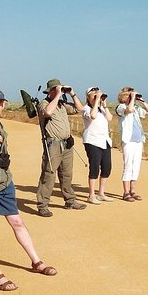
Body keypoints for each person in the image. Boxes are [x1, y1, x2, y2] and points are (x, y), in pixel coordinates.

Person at [0, 87, 57, 291]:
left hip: (4, 181)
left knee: (17, 220)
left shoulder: (0, 125)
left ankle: (36, 261)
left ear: (4, 104)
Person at [35, 78, 87, 217]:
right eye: (57, 89)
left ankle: (70, 200)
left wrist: (72, 94)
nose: (61, 91)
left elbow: (79, 109)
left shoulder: (62, 105)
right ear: (51, 91)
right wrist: (58, 94)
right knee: (49, 174)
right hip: (53, 144)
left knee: (67, 174)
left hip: (67, 143)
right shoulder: (44, 103)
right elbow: (47, 113)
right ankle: (42, 205)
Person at [115, 87, 148, 201]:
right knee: (128, 165)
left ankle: (133, 190)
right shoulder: (120, 107)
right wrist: (132, 99)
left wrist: (142, 101)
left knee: (136, 166)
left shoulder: (136, 107)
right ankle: (126, 192)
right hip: (128, 141)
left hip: (139, 140)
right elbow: (129, 110)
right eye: (129, 95)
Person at [81, 86, 114, 204]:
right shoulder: (86, 108)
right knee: (94, 168)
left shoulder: (101, 108)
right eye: (94, 96)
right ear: (88, 97)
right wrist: (96, 102)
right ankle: (91, 195)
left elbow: (110, 118)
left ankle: (101, 193)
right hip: (92, 141)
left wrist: (104, 104)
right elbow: (92, 116)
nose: (97, 98)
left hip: (104, 141)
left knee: (106, 167)